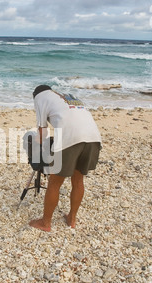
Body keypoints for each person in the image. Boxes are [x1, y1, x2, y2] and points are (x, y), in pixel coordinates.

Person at [29, 85, 102, 232]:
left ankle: (45, 223)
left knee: (55, 183)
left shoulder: (40, 97)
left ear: (35, 95)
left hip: (70, 138)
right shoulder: (68, 96)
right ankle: (72, 218)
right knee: (78, 179)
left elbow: (42, 134)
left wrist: (34, 146)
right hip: (93, 137)